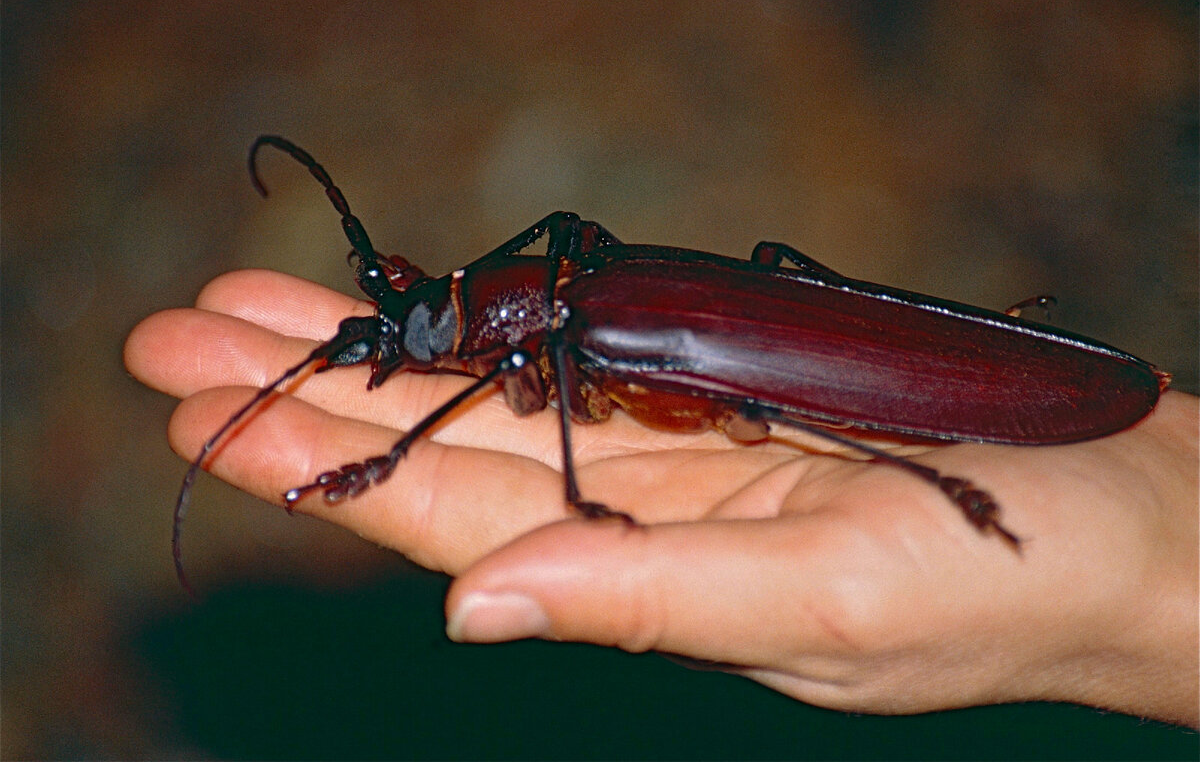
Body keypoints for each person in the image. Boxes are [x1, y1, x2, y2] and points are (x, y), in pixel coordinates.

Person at [124, 268, 1199, 729]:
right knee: (770, 322)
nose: (431, 348)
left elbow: (528, 376)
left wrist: (386, 459)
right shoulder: (563, 305)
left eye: (430, 332)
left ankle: (939, 454)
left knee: (752, 394)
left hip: (848, 370)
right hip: (738, 330)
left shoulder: (565, 338)